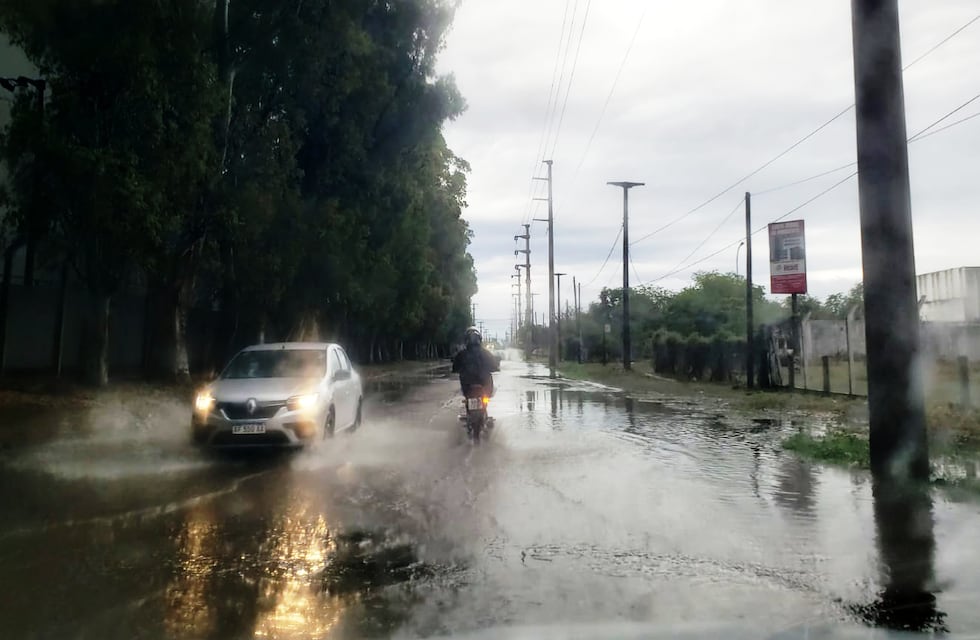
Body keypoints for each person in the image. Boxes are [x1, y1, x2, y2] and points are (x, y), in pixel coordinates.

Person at [451, 327, 499, 397]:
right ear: (479, 340)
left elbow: (455, 367)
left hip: (468, 385)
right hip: (482, 384)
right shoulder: (486, 353)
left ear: (466, 341)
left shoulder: (461, 354)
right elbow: (494, 365)